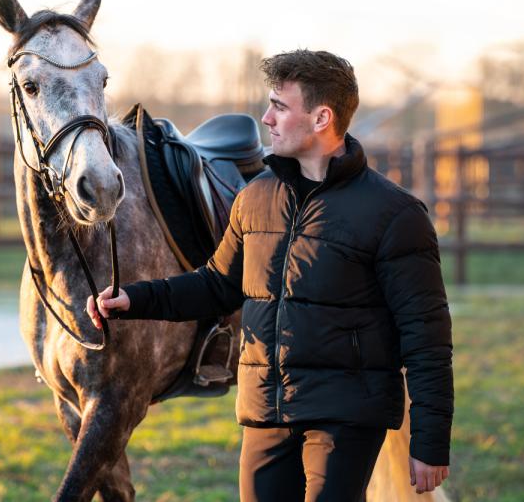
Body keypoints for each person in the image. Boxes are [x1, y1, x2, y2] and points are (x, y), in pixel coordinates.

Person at [87, 49, 453, 501]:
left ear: (321, 118)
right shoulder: (255, 198)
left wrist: (430, 442)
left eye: (280, 106)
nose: (266, 118)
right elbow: (217, 285)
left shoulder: (395, 215)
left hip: (346, 418)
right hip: (266, 411)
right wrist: (136, 300)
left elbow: (426, 338)